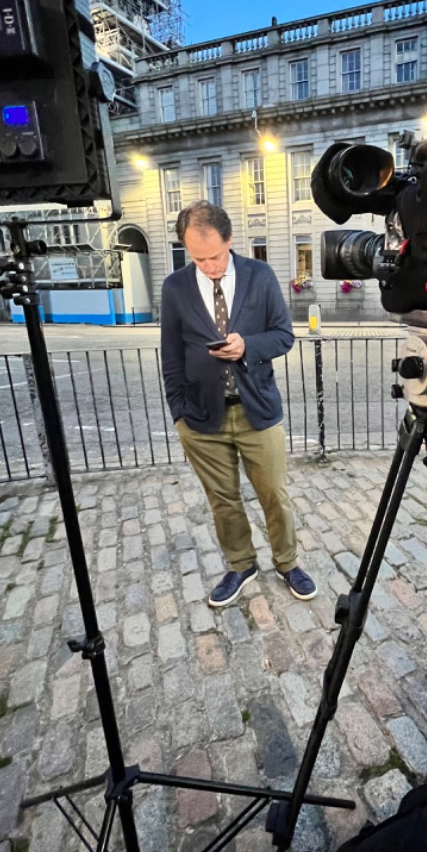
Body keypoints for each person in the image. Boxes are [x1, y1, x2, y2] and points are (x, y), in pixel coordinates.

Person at [160, 201, 317, 608]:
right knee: (223, 501)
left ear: (229, 240)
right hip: (200, 418)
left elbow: (283, 335)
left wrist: (247, 345)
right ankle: (241, 564)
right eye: (198, 259)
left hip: (257, 410)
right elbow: (171, 355)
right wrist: (179, 413)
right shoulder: (175, 287)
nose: (208, 267)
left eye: (214, 256)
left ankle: (287, 562)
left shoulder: (259, 276)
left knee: (275, 496)